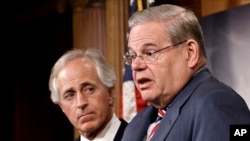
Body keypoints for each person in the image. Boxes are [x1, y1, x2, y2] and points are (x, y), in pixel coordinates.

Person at [121, 4, 250, 141]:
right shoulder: (136, 123)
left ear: (190, 53)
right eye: (133, 56)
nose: (135, 65)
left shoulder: (217, 103)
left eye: (150, 53)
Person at [48, 48, 127, 141]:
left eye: (89, 89)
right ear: (62, 107)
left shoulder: (140, 137)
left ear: (110, 93)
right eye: (70, 95)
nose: (81, 103)